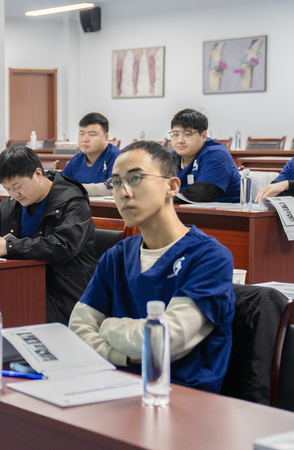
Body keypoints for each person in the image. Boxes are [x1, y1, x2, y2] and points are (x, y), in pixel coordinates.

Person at [69, 140, 235, 393]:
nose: (124, 192)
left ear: (172, 186)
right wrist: (123, 357)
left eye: (135, 178)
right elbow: (78, 330)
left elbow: (163, 341)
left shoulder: (209, 258)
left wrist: (108, 326)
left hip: (181, 396)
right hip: (114, 387)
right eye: (116, 182)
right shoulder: (117, 256)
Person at [0, 146, 97, 324]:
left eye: (17, 187)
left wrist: (8, 247)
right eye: (7, 188)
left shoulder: (73, 202)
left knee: (6, 315)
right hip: (24, 286)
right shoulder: (13, 203)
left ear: (38, 174)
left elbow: (62, 245)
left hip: (65, 293)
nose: (14, 194)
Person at [169, 108, 240, 203]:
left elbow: (201, 194)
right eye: (175, 134)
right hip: (185, 210)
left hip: (227, 210)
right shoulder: (172, 157)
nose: (180, 140)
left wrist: (164, 197)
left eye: (187, 134)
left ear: (203, 136)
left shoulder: (216, 155)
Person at [61, 112, 120, 196]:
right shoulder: (76, 160)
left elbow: (114, 187)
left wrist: (77, 189)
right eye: (82, 134)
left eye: (91, 135)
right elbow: (61, 184)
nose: (85, 139)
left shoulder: (116, 157)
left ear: (106, 138)